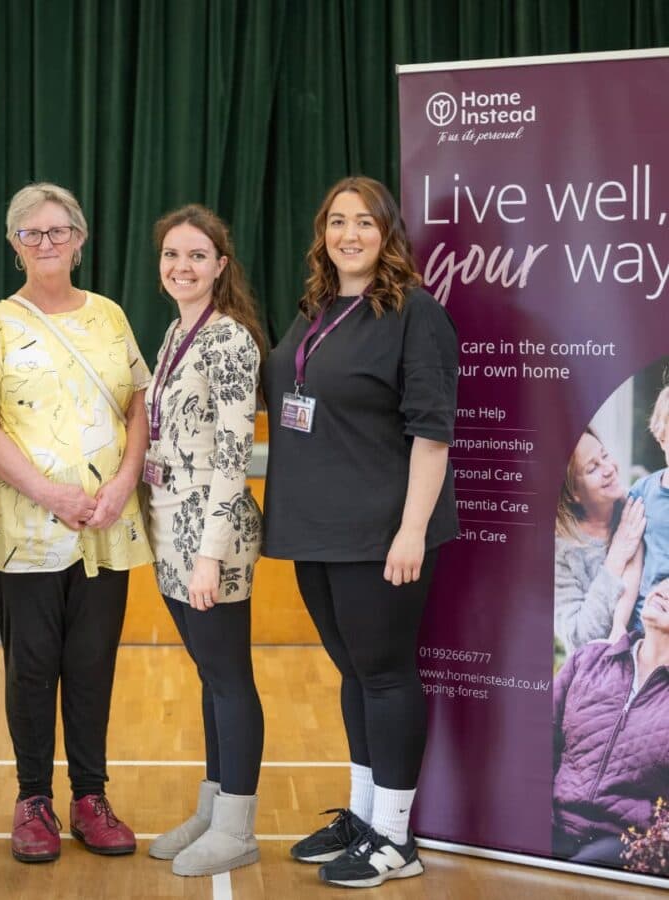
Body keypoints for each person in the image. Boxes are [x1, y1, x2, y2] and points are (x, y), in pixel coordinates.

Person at [263, 175, 458, 888]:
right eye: (337, 221)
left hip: (381, 531)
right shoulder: (317, 309)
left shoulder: (416, 313)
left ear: (388, 235)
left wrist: (411, 531)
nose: (350, 234)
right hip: (316, 526)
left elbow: (432, 435)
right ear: (323, 233)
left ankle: (396, 841)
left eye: (365, 223)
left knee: (385, 673)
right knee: (355, 673)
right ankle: (364, 815)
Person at [0, 183, 152, 863]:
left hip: (105, 523)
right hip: (24, 526)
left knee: (93, 666)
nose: (47, 243)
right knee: (31, 669)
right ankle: (33, 797)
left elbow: (137, 406)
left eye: (58, 231)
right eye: (32, 233)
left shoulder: (111, 317)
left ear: (81, 237)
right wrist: (51, 494)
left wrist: (124, 481)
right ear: (14, 245)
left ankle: (90, 796)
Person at [143, 205, 266, 877]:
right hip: (171, 531)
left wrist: (209, 555)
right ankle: (213, 804)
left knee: (229, 679)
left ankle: (237, 827)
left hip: (211, 542)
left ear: (221, 266)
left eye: (196, 255)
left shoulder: (230, 341)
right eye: (171, 255)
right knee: (209, 678)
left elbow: (232, 456)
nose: (181, 267)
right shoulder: (173, 333)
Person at [552, 573, 669, 873]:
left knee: (573, 878)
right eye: (663, 582)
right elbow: (535, 741)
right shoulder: (589, 659)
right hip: (553, 818)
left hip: (623, 840)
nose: (664, 591)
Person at [555, 428, 645, 654]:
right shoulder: (559, 550)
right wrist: (616, 556)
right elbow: (577, 639)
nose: (608, 469)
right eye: (592, 468)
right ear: (572, 492)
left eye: (604, 456)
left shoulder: (637, 509)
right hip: (600, 673)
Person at [627, 386, 669, 631]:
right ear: (662, 437)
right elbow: (631, 563)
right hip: (644, 627)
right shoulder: (642, 492)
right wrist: (619, 626)